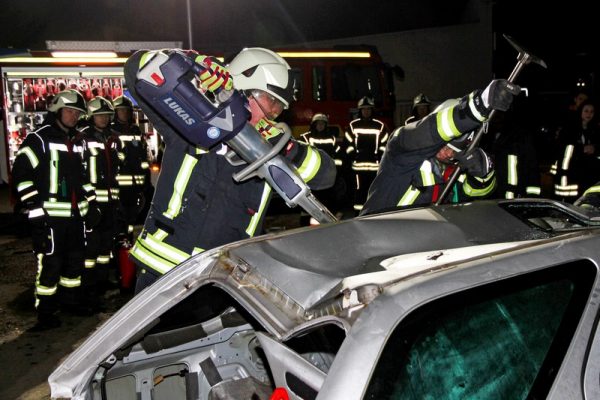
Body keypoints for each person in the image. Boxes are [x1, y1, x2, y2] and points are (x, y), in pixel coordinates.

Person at [125, 48, 336, 293]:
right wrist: (194, 61)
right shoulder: (189, 124)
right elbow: (135, 70)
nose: (273, 113)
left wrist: (286, 147)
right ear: (243, 89)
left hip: (224, 284)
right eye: (271, 101)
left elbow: (326, 175)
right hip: (164, 274)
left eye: (279, 108)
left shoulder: (269, 151)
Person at [360, 79, 521, 215]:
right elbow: (430, 131)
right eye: (445, 145)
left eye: (455, 150)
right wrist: (478, 106)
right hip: (374, 242)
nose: (448, 153)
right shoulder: (401, 148)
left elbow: (477, 193)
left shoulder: (456, 172)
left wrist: (483, 175)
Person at [11, 89, 95, 331]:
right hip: (50, 217)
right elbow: (22, 175)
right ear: (57, 110)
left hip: (75, 217)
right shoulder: (39, 139)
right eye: (69, 111)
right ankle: (45, 312)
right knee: (50, 264)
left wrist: (90, 206)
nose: (73, 116)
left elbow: (81, 179)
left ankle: (70, 303)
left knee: (74, 262)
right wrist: (34, 207)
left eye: (78, 113)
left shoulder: (77, 141)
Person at [79, 96, 123, 306]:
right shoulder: (83, 139)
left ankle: (103, 281)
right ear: (91, 117)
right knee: (91, 248)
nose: (104, 119)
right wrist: (89, 202)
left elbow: (118, 169)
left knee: (106, 246)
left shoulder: (114, 138)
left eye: (106, 115)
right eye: (99, 116)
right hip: (93, 201)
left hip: (111, 202)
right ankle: (88, 287)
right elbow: (79, 172)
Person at [112, 95, 152, 236]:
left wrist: (146, 182)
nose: (125, 113)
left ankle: (132, 239)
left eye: (127, 110)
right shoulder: (111, 131)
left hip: (138, 184)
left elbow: (143, 155)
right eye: (121, 110)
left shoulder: (136, 130)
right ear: (115, 112)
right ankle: (123, 240)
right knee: (121, 217)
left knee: (137, 216)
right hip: (120, 185)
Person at [344, 96, 389, 213]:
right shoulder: (353, 126)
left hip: (375, 165)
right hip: (358, 166)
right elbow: (348, 144)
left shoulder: (380, 126)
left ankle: (373, 212)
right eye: (364, 109)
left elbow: (385, 145)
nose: (366, 111)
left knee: (374, 190)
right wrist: (354, 155)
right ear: (360, 111)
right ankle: (359, 213)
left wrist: (379, 156)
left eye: (368, 109)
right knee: (360, 191)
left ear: (372, 110)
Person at [550, 100, 600, 202]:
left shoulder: (595, 130)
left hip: (589, 176)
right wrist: (582, 149)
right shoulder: (569, 129)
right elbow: (562, 148)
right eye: (586, 111)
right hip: (570, 174)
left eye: (591, 112)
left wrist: (595, 149)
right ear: (580, 112)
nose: (589, 114)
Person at [300, 113, 345, 220]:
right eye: (318, 124)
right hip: (311, 173)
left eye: (322, 124)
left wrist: (336, 169)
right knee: (310, 196)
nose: (320, 126)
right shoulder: (306, 137)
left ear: (326, 125)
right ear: (314, 125)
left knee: (329, 195)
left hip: (327, 172)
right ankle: (307, 218)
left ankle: (330, 217)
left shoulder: (332, 139)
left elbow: (337, 153)